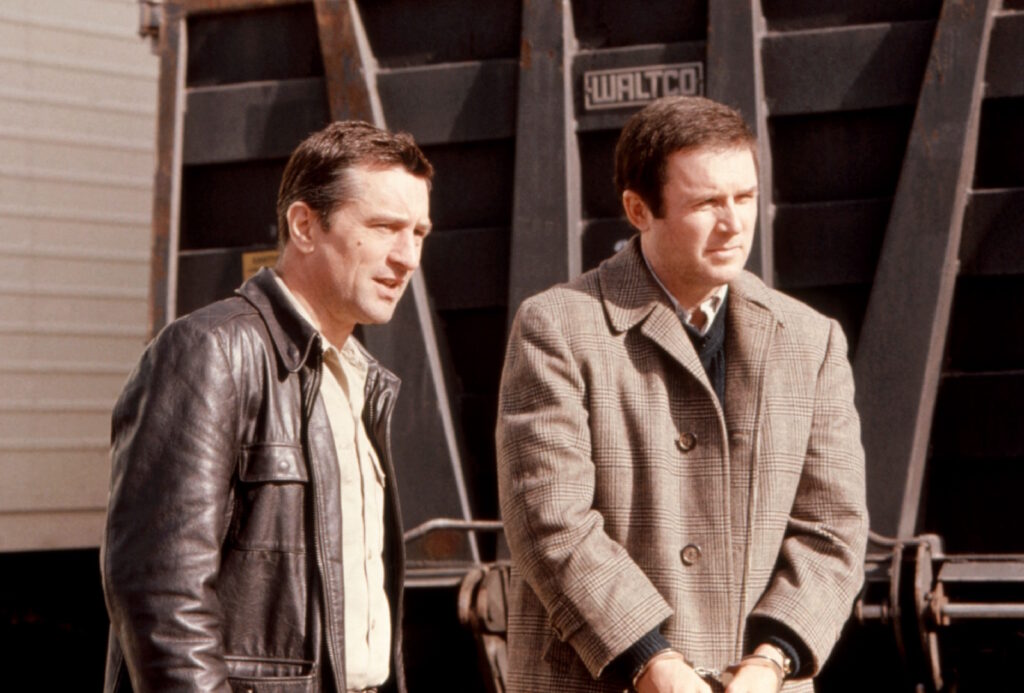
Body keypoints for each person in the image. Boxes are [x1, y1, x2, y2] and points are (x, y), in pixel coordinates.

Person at [496, 96, 868, 693]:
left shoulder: (810, 340)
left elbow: (834, 530)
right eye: (706, 203)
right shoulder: (556, 327)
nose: (734, 223)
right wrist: (651, 659)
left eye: (745, 197)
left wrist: (772, 660)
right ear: (638, 209)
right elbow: (549, 520)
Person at [101, 120, 433, 693]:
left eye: (419, 232)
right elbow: (161, 593)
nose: (408, 257)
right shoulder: (209, 352)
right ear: (304, 225)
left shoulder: (357, 376)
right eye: (384, 227)